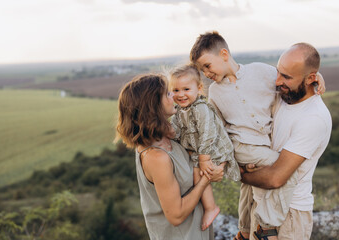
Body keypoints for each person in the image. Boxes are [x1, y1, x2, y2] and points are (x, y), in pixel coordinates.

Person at [189, 31, 326, 240]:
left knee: (259, 181)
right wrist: (223, 160)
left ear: (224, 54)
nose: (206, 73)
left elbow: (275, 177)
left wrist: (316, 77)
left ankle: (246, 229)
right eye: (201, 69)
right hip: (242, 147)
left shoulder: (262, 72)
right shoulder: (215, 92)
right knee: (266, 175)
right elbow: (218, 128)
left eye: (207, 65)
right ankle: (260, 227)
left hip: (291, 208)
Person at [116, 73, 225, 240]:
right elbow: (176, 216)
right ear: (153, 106)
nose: (173, 95)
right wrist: (207, 179)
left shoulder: (168, 136)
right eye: (167, 93)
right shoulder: (155, 157)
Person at [241, 43, 331, 239]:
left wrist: (236, 173)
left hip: (289, 214)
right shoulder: (284, 94)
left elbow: (276, 178)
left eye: (287, 77)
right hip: (261, 204)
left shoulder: (314, 118)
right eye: (279, 72)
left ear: (311, 78)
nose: (277, 81)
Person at [169, 64, 241, 231]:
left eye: (186, 89)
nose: (181, 94)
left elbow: (208, 133)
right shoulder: (180, 110)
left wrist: (204, 158)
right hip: (200, 151)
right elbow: (176, 129)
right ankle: (206, 205)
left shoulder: (201, 108)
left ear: (199, 88)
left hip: (214, 149)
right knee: (195, 173)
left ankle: (211, 208)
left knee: (198, 173)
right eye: (176, 90)